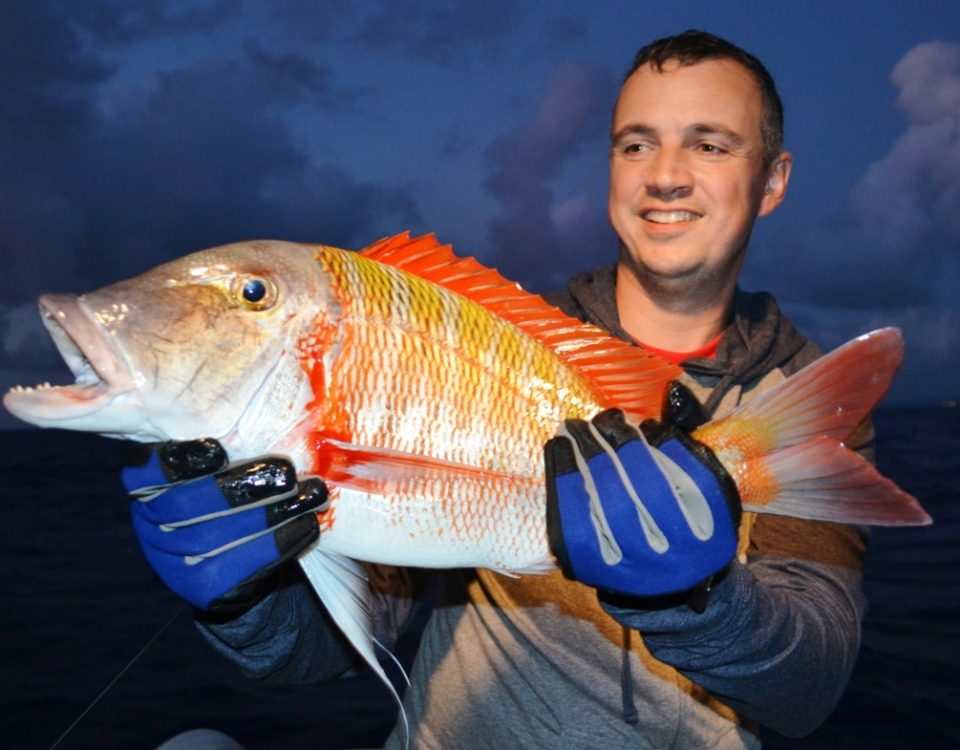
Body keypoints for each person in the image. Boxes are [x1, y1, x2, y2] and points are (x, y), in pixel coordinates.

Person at [124, 30, 869, 749]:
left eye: (709, 144)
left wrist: (698, 599)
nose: (665, 173)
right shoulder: (478, 345)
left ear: (773, 180)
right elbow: (325, 646)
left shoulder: (799, 397)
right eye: (636, 143)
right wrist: (247, 598)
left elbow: (810, 688)